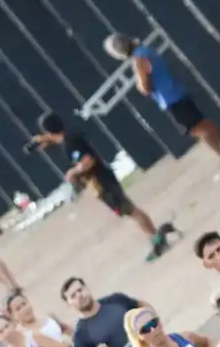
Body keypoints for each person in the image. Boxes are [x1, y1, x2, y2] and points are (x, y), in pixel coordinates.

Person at [33, 112, 176, 261]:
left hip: (102, 181)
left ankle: (156, 239)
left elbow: (87, 161)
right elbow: (61, 139)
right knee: (128, 210)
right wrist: (47, 139)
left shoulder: (70, 143)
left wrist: (73, 172)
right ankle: (154, 237)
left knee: (130, 210)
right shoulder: (69, 138)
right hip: (101, 181)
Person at [105, 34, 220, 173]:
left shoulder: (139, 60)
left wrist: (139, 83)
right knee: (204, 122)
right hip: (177, 89)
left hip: (169, 98)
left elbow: (145, 87)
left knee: (197, 129)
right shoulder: (146, 50)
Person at [59, 277, 147, 347]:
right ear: (68, 304)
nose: (79, 295)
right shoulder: (80, 337)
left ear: (87, 288)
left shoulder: (116, 300)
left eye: (80, 290)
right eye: (73, 296)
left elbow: (141, 305)